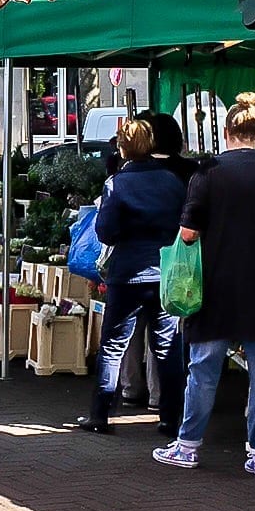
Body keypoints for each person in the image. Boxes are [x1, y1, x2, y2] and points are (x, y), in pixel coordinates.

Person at [155, 93, 255, 480]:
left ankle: (187, 447)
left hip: (215, 288)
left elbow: (188, 234)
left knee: (204, 369)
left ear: (227, 132)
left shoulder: (207, 173)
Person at [73, 117, 186, 434]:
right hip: (163, 270)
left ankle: (100, 414)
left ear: (122, 148)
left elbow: (106, 232)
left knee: (113, 345)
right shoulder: (172, 181)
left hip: (127, 273)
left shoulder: (116, 184)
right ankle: (170, 417)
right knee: (166, 346)